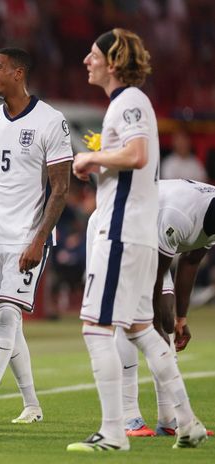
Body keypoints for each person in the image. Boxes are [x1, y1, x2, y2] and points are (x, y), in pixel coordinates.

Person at [69, 28, 206, 452]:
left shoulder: (127, 101)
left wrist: (91, 157)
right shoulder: (130, 103)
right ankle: (188, 422)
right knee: (141, 329)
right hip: (139, 232)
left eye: (93, 54)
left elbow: (137, 154)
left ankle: (113, 432)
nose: (86, 61)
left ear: (113, 62)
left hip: (122, 231)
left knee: (95, 327)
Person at [0, 48, 72, 423]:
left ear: (19, 72)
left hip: (26, 237)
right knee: (9, 322)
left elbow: (60, 188)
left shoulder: (51, 120)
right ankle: (32, 405)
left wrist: (38, 239)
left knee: (5, 319)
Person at [112, 179, 215, 437]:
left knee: (167, 324)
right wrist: (153, 326)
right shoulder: (179, 215)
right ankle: (128, 417)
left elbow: (191, 261)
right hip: (117, 232)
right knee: (133, 320)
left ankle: (169, 419)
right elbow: (154, 277)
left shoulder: (210, 214)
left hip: (151, 245)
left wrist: (181, 317)